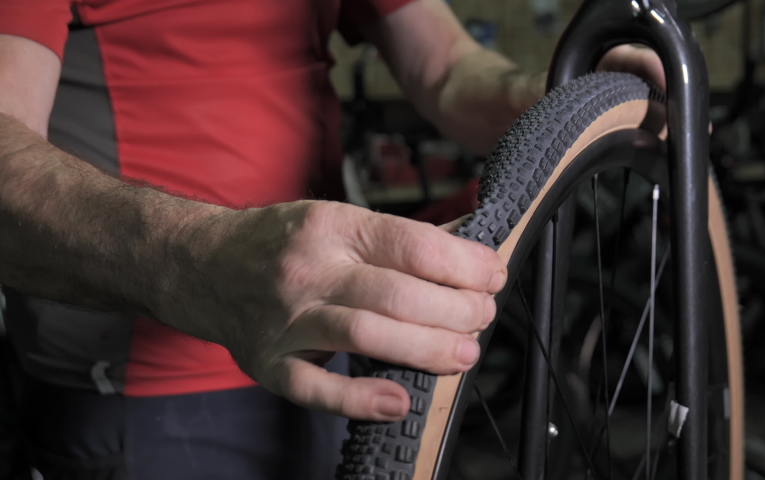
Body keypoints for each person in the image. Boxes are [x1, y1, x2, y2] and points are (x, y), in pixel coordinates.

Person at [0, 0, 664, 478]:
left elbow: (448, 71)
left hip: (327, 344)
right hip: (145, 390)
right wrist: (206, 263)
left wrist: (565, 101)